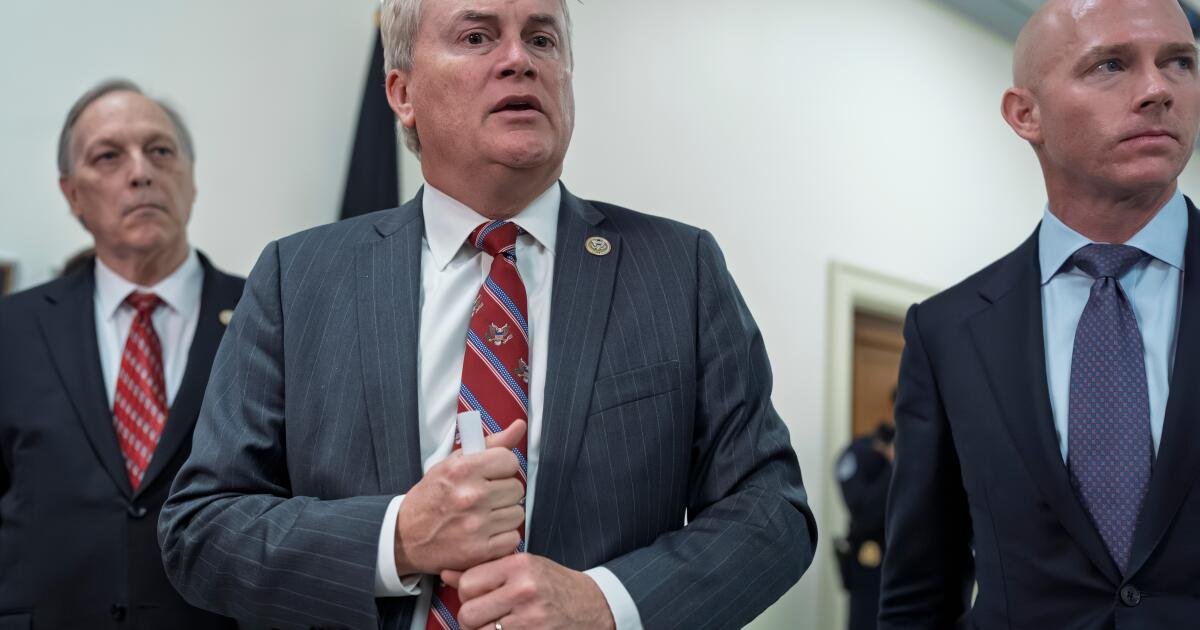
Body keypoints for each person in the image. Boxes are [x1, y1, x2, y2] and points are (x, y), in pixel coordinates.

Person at [158, 0, 816, 628]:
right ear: (402, 94)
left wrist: (606, 606)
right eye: (476, 36)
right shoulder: (298, 279)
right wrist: (398, 538)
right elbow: (201, 530)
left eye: (542, 38)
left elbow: (772, 511)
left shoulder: (678, 270)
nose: (519, 60)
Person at [880, 0, 1200, 627]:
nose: (1158, 89)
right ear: (1025, 114)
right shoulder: (948, 333)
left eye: (1179, 63)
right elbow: (921, 589)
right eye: (1111, 65)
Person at [0, 79, 242, 628]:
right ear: (72, 195)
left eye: (160, 151)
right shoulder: (12, 330)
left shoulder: (268, 315)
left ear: (191, 177)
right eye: (108, 156)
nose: (140, 173)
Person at [835, 421, 893, 630]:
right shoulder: (858, 452)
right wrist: (895, 466)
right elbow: (863, 514)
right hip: (871, 561)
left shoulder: (923, 448)